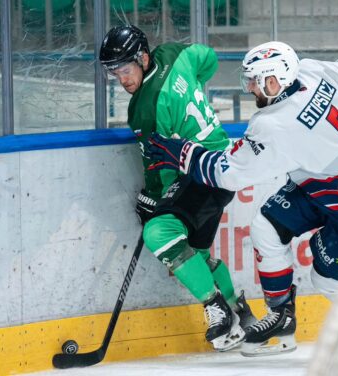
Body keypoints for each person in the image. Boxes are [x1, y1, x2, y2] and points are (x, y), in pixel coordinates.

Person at [145, 41, 338, 356]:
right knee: (267, 225)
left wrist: (178, 152)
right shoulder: (310, 72)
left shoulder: (274, 124)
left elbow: (228, 173)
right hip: (337, 183)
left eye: (255, 81)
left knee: (324, 276)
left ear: (276, 79)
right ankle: (282, 316)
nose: (251, 89)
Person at [98, 25, 256, 352]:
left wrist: (156, 200)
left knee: (158, 232)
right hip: (224, 163)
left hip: (198, 172)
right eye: (115, 73)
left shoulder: (144, 108)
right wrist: (192, 85)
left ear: (142, 58)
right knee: (195, 255)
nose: (122, 79)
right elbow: (208, 59)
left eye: (125, 69)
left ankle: (217, 309)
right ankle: (243, 317)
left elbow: (160, 165)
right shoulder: (175, 53)